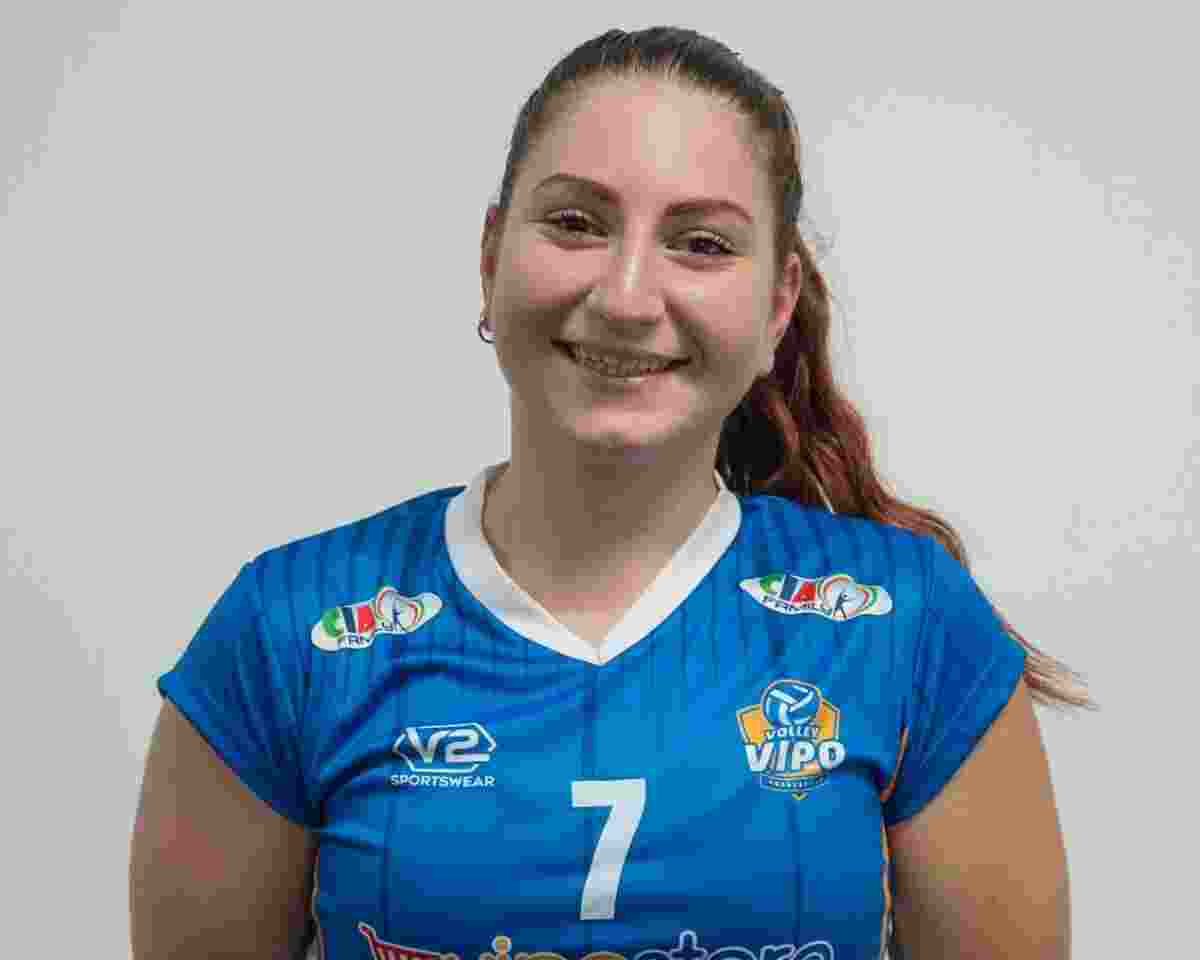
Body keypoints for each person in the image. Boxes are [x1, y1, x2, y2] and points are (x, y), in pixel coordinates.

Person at [130, 26, 1096, 960]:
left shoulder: (910, 621)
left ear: (777, 304)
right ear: (490, 257)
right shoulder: (290, 627)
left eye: (702, 243)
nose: (628, 297)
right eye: (576, 224)